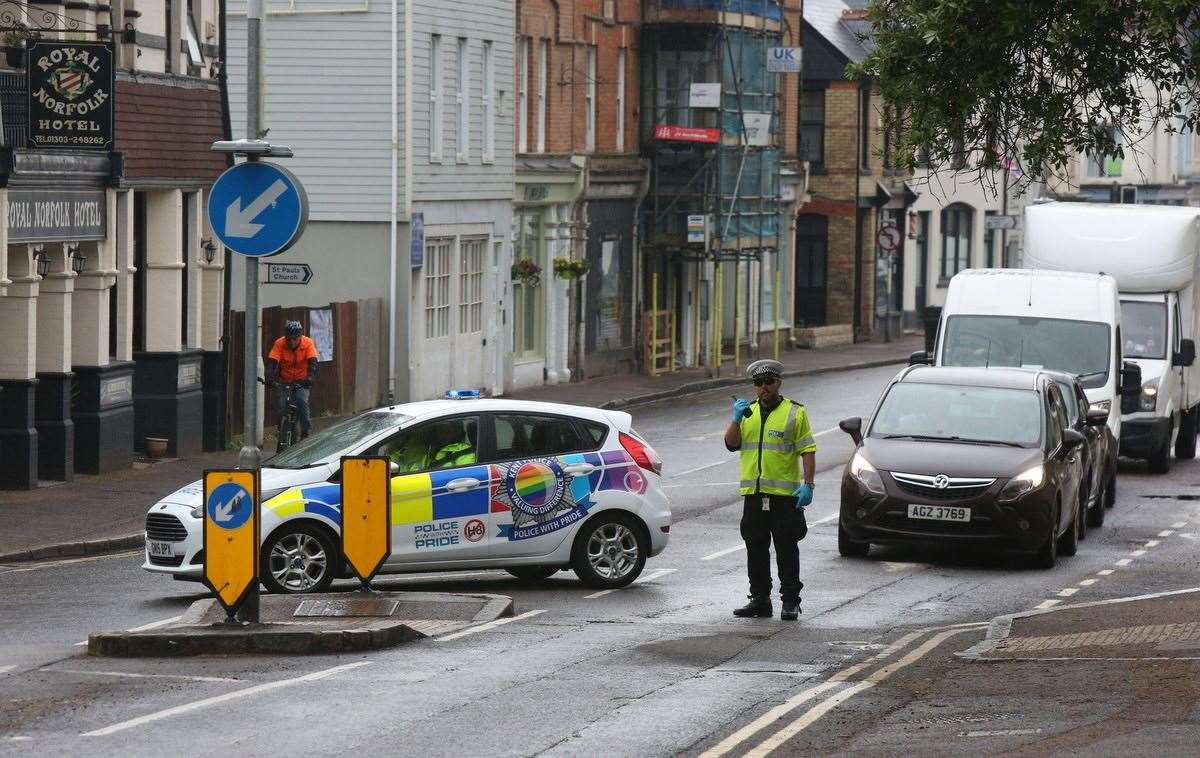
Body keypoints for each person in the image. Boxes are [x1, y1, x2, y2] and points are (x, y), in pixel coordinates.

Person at [723, 359, 817, 621]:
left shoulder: (794, 412)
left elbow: (807, 450)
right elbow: (732, 444)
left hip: (784, 497)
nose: (764, 387)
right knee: (755, 548)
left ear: (778, 383)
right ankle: (760, 600)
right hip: (754, 494)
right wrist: (735, 419)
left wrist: (808, 485)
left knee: (786, 549)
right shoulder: (747, 413)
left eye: (768, 382)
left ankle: (790, 601)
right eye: (758, 383)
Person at [266, 320, 319, 440]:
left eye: (295, 339)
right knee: (281, 406)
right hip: (285, 381)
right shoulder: (279, 343)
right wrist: (269, 378)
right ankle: (282, 431)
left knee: (302, 401)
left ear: (300, 337)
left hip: (302, 381)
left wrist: (310, 378)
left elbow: (313, 363)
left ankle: (305, 431)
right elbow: (272, 363)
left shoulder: (308, 343)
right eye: (289, 339)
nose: (292, 342)